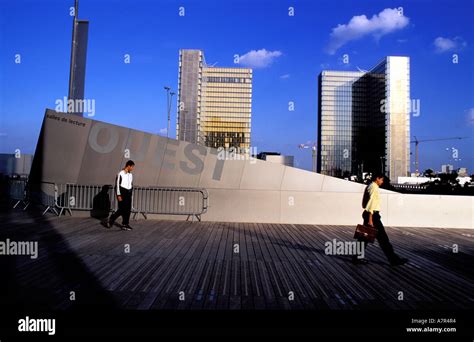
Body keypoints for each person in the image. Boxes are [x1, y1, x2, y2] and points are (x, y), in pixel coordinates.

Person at [353, 172, 408, 266]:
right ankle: (394, 260)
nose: (382, 182)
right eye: (381, 179)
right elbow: (372, 203)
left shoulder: (369, 186)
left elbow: (365, 203)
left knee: (364, 238)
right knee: (383, 239)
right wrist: (370, 220)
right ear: (377, 178)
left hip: (369, 215)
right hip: (373, 216)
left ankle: (357, 258)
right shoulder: (374, 187)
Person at [106, 160, 135, 230]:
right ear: (128, 166)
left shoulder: (130, 175)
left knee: (128, 209)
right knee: (122, 209)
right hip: (122, 192)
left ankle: (125, 224)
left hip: (128, 193)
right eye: (132, 167)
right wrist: (118, 195)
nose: (133, 168)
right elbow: (117, 186)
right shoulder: (120, 173)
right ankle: (111, 219)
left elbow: (131, 184)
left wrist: (131, 192)